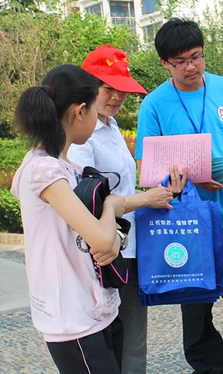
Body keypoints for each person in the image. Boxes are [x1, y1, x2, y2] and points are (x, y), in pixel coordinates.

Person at [135, 18, 223, 374]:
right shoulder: (154, 105)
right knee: (195, 307)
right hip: (187, 223)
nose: (190, 67)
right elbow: (147, 167)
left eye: (196, 57)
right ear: (164, 63)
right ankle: (209, 369)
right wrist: (187, 181)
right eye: (180, 61)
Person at [68, 44, 185, 374]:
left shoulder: (111, 126)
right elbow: (84, 200)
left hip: (129, 247)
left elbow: (122, 191)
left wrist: (159, 193)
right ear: (87, 87)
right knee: (104, 338)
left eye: (123, 90)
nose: (117, 97)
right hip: (99, 250)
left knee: (133, 338)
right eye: (109, 88)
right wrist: (146, 199)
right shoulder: (81, 137)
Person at [11, 64, 127, 373]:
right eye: (95, 110)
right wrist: (110, 206)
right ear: (79, 111)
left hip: (94, 307)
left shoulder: (64, 166)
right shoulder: (43, 170)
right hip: (73, 318)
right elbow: (101, 239)